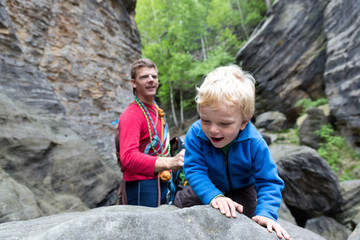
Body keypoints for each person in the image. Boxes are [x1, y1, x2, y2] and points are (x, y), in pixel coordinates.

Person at [174, 65, 290, 239]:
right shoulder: (196, 134)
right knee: (185, 205)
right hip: (207, 183)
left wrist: (266, 213)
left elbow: (268, 181)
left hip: (242, 188)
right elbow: (194, 169)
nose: (213, 130)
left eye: (224, 124)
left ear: (243, 122)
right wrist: (214, 196)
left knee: (248, 221)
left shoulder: (254, 142)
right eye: (205, 120)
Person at [118, 58, 184, 207]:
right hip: (140, 186)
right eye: (144, 77)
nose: (151, 80)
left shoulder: (156, 109)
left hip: (161, 179)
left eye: (154, 76)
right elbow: (127, 157)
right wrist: (170, 162)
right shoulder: (131, 114)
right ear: (133, 83)